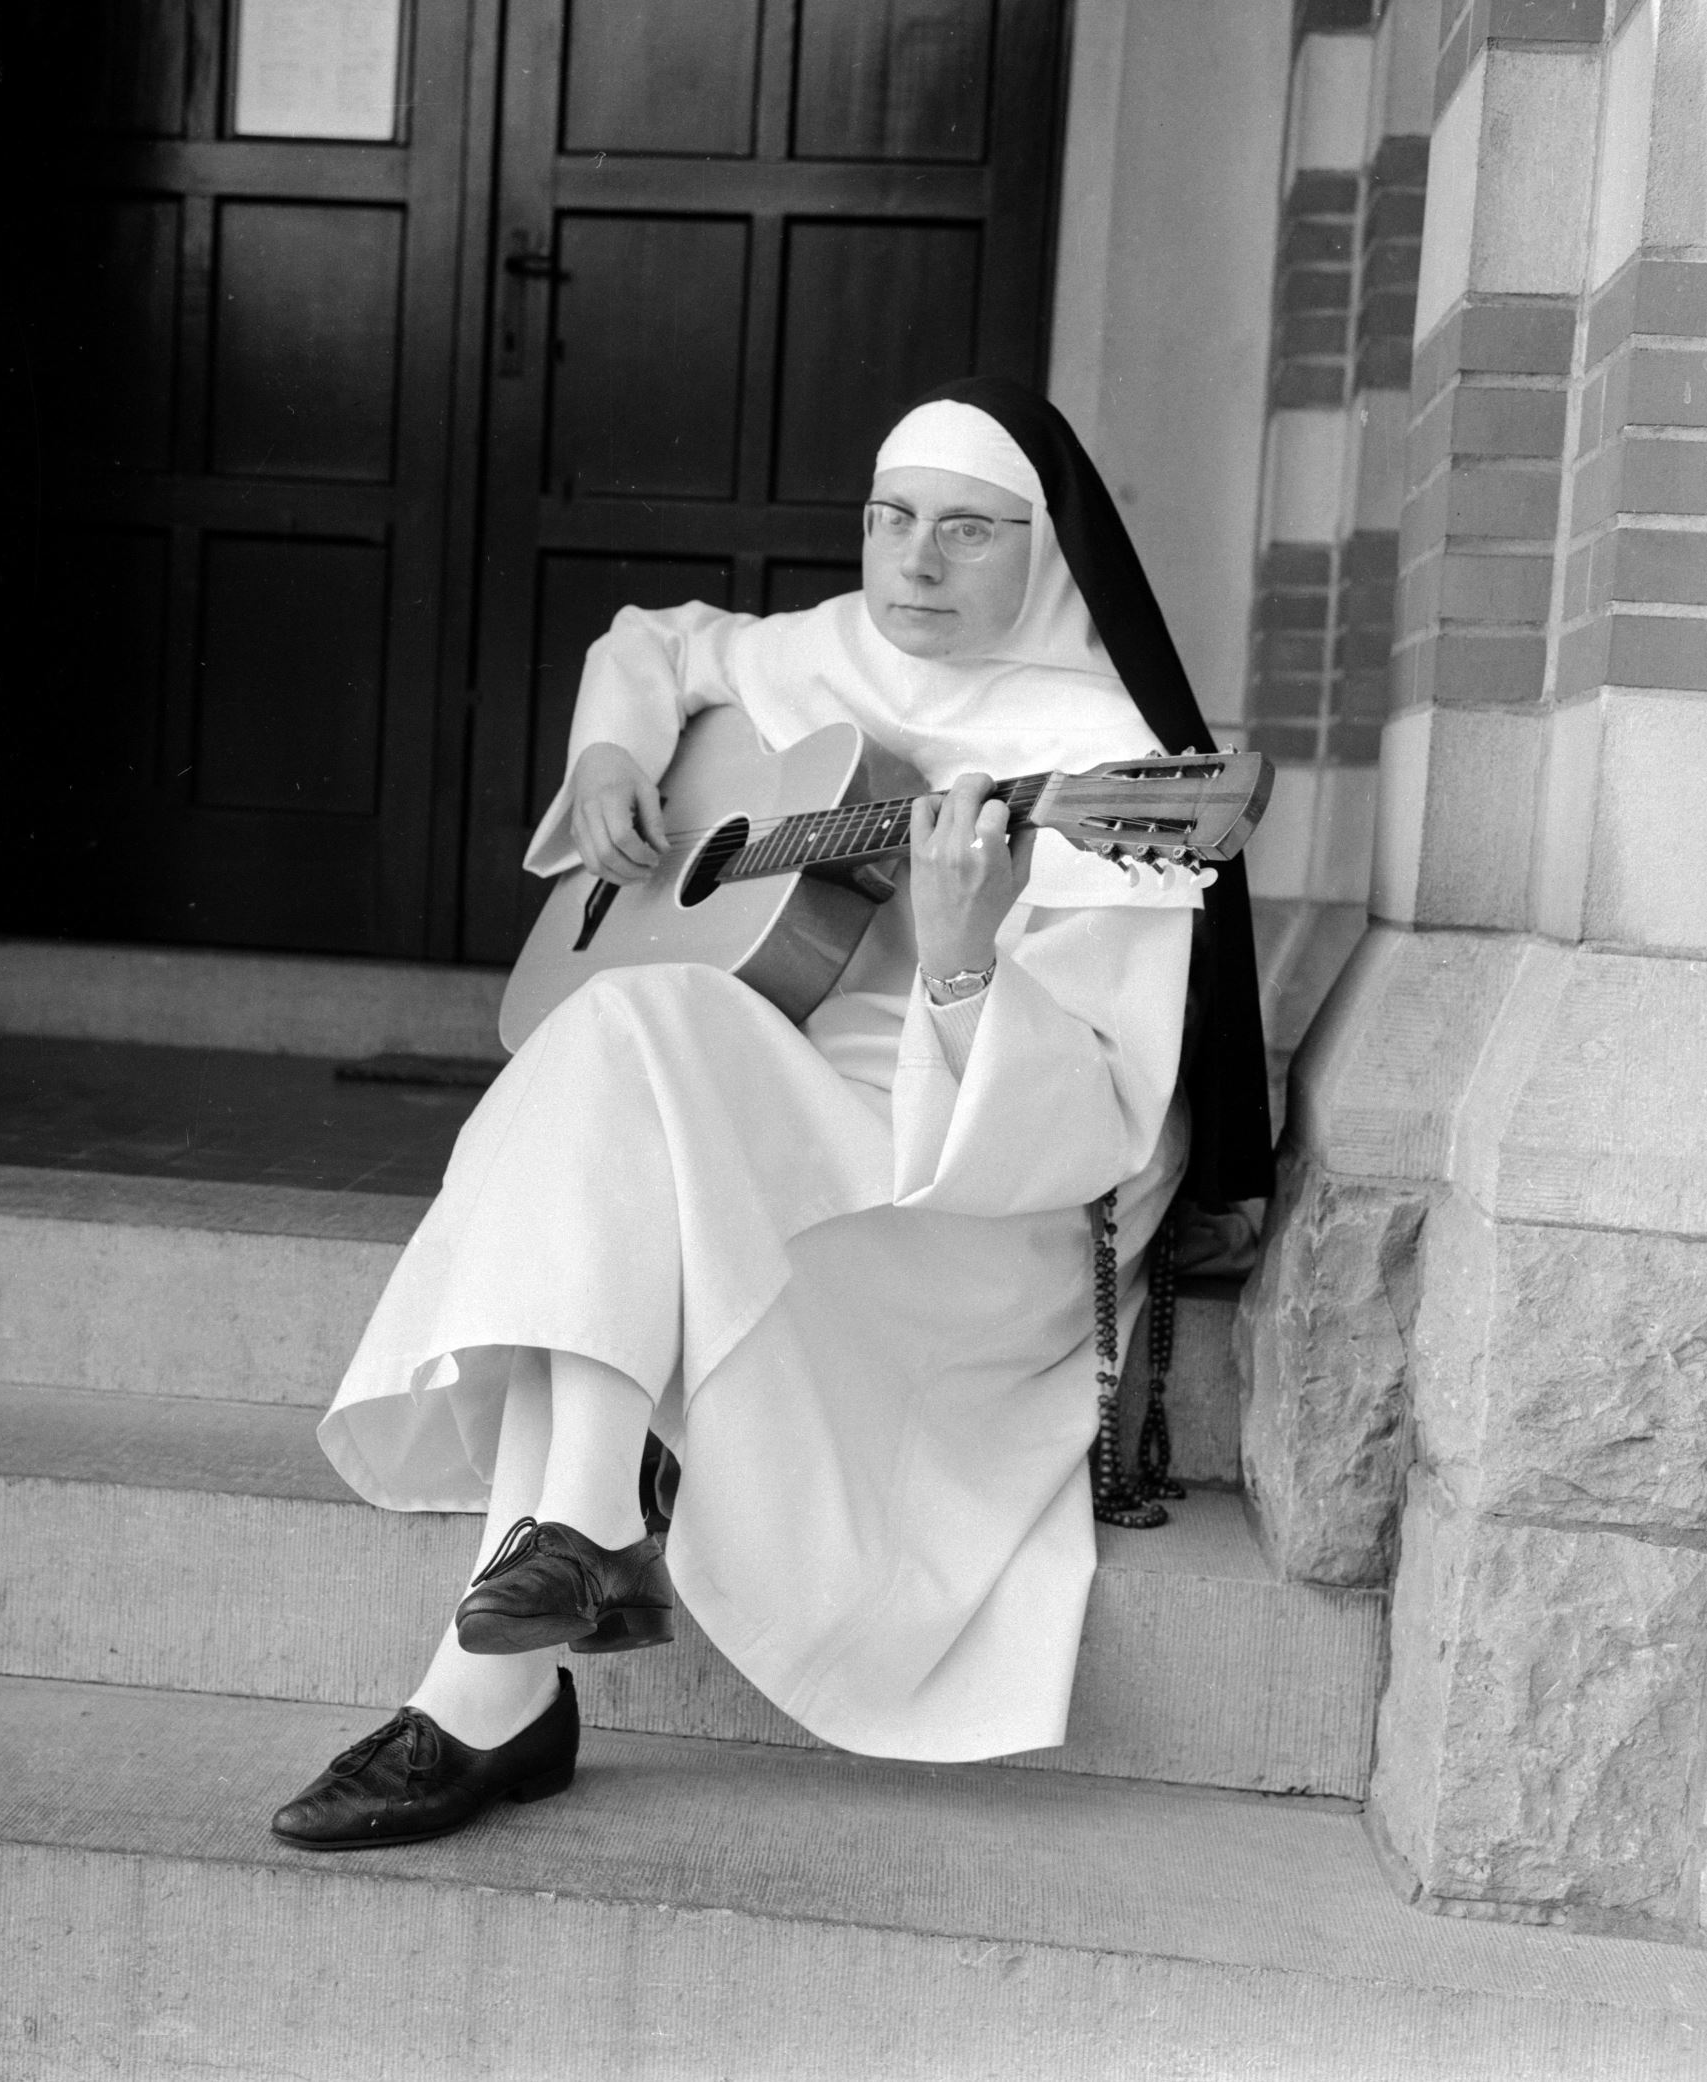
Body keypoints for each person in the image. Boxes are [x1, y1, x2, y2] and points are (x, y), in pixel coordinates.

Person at [270, 378, 1272, 1850]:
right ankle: (556, 1578)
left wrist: (960, 958)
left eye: (967, 533)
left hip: (938, 1186)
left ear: (1043, 549)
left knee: (618, 1064)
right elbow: (655, 645)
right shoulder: (821, 652)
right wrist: (611, 753)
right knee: (624, 1031)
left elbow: (1101, 1126)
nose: (914, 563)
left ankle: (503, 1662)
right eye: (890, 520)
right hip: (740, 1101)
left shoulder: (1106, 762)